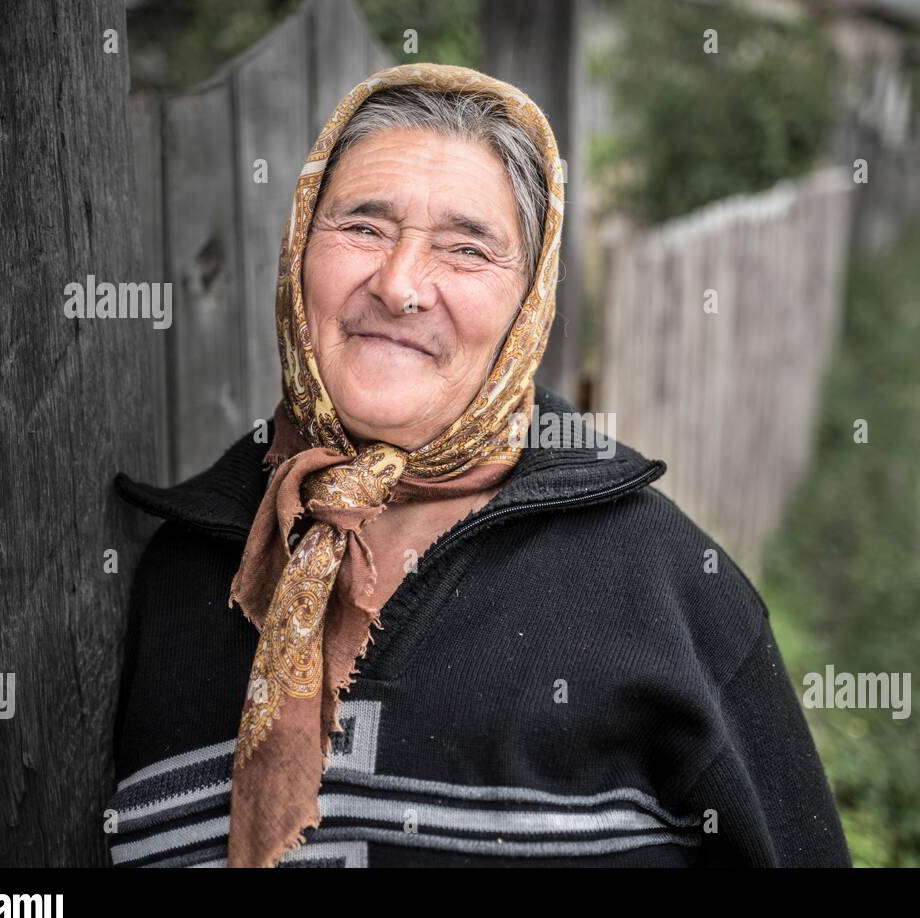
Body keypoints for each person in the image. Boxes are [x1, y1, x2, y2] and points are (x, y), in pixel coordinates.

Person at [109, 62, 850, 868]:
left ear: (528, 305)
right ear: (297, 253)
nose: (399, 285)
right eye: (362, 225)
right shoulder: (177, 575)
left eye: (466, 249)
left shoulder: (667, 593)